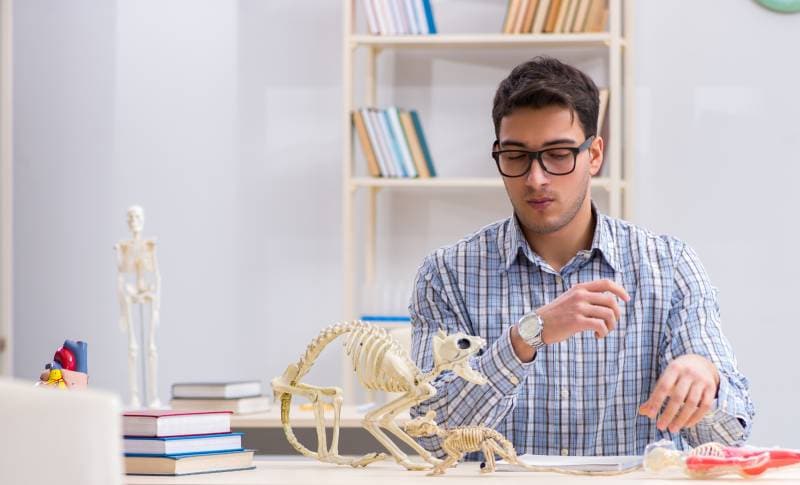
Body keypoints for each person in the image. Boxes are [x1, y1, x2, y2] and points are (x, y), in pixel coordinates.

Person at [408, 56, 754, 457]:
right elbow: (430, 438)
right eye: (516, 156)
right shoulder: (446, 275)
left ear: (595, 154)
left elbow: (728, 438)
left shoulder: (669, 266)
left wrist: (706, 381)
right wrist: (524, 338)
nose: (536, 178)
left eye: (558, 154)